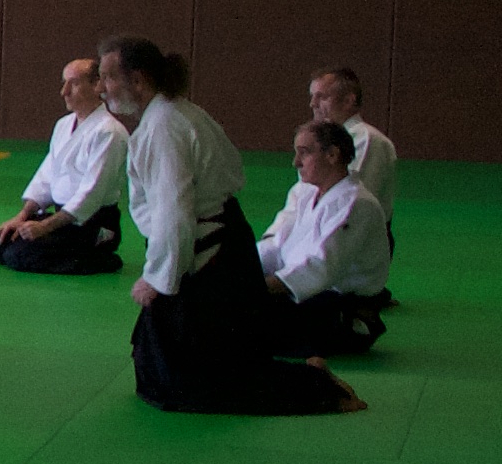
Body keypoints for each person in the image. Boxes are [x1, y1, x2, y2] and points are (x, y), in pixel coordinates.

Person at [103, 36, 362, 415]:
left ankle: (319, 388)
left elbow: (174, 212)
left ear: (138, 80)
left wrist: (157, 279)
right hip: (216, 247)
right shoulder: (176, 114)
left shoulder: (165, 125)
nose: (103, 87)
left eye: (109, 77)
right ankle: (310, 376)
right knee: (165, 369)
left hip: (208, 255)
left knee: (197, 381)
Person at [259, 119, 392, 356]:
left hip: (341, 314)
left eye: (304, 153)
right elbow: (278, 246)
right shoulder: (308, 194)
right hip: (307, 300)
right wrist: (241, 267)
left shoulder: (357, 204)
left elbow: (321, 267)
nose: (296, 162)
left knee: (242, 317)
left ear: (332, 155)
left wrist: (256, 287)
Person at [0, 58, 129, 275]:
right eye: (64, 83)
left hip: (93, 223)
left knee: (19, 255)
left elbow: (92, 193)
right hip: (62, 219)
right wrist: (22, 216)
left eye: (74, 84)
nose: (64, 92)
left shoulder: (109, 132)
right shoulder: (63, 125)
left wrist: (44, 227)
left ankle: (103, 255)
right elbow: (46, 176)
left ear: (97, 85)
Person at [307, 67, 403, 217]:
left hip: (350, 227)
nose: (313, 104)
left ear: (348, 101)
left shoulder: (368, 140)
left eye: (322, 97)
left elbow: (351, 201)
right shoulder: (321, 141)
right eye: (312, 96)